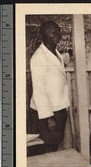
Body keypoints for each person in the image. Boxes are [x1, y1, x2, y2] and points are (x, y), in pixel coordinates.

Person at [30, 20, 70, 152]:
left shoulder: (56, 53)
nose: (55, 32)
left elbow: (63, 61)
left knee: (56, 143)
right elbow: (39, 90)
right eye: (51, 30)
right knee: (48, 147)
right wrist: (49, 117)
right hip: (47, 112)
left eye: (57, 29)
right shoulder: (38, 57)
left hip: (59, 108)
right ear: (43, 34)